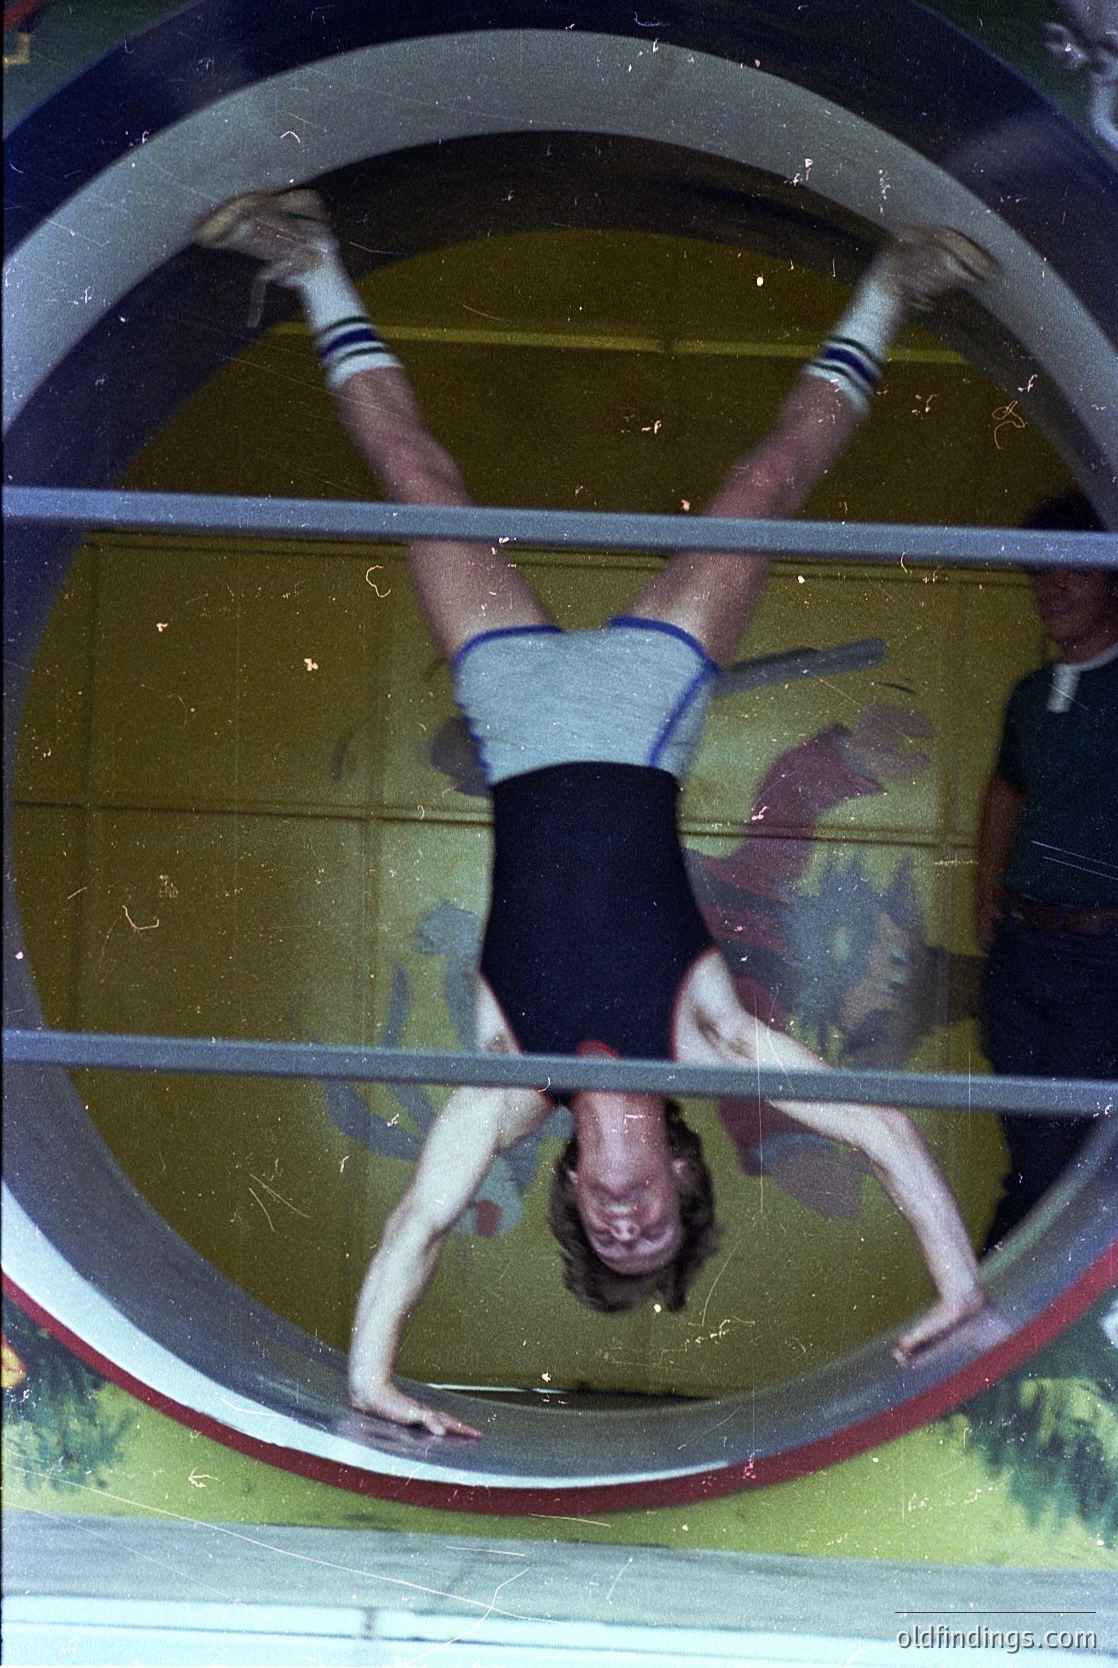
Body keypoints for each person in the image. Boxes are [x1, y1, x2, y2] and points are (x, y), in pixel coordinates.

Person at [197, 193, 999, 1434]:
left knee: (415, 477)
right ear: (683, 1173)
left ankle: (309, 266)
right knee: (762, 482)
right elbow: (887, 1136)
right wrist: (956, 1289)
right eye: (654, 1228)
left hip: (515, 718)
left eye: (604, 1233)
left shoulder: (505, 1085)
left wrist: (368, 1381)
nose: (626, 1223)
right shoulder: (716, 1046)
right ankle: (891, 288)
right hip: (640, 709)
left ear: (573, 1191)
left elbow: (417, 1223)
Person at [975, 493, 1118, 1251]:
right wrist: (984, 893)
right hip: (1024, 956)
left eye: (1075, 568)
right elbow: (1007, 788)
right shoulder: (1031, 695)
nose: (1052, 586)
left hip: (1101, 961)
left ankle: (986, 1322)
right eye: (1039, 572)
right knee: (1035, 1158)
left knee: (1052, 1173)